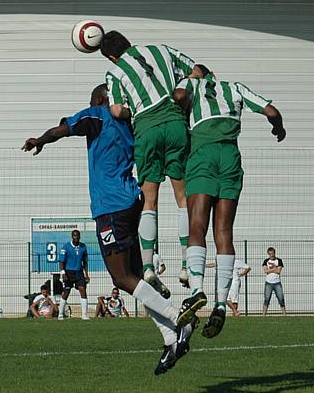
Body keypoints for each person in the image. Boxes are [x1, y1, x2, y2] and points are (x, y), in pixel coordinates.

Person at [22, 84, 198, 375]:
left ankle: (179, 317)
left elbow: (62, 130)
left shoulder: (97, 115)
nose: (91, 104)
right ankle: (171, 339)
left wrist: (40, 139)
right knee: (136, 276)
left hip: (110, 207)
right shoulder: (130, 123)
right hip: (132, 200)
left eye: (93, 100)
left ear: (102, 100)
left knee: (121, 277)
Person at [172, 72, 286, 337]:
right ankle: (221, 304)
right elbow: (271, 111)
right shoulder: (234, 87)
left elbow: (179, 96)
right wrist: (278, 128)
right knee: (223, 232)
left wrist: (183, 104)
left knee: (196, 227)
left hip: (203, 153)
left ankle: (196, 290)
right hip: (230, 157)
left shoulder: (193, 84)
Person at [101, 31, 210, 293]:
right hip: (175, 123)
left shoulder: (115, 73)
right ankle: (186, 264)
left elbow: (116, 111)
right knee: (183, 197)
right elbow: (197, 71)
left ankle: (148, 267)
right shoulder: (161, 50)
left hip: (147, 129)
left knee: (150, 200)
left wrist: (134, 109)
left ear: (112, 56)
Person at [57, 229, 91, 320]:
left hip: (79, 272)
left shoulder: (83, 247)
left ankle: (84, 315)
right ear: (72, 236)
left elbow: (85, 262)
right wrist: (63, 273)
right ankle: (60, 314)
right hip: (68, 272)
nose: (76, 237)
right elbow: (61, 262)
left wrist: (86, 275)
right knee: (66, 292)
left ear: (79, 236)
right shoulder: (66, 247)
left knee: (83, 290)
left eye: (78, 235)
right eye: (75, 235)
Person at [262, 247, 286, 316]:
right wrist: (275, 268)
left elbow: (279, 271)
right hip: (268, 283)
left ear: (274, 253)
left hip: (277, 283)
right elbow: (265, 271)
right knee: (267, 299)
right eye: (270, 254)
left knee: (281, 298)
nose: (271, 255)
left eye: (272, 253)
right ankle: (263, 315)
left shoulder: (279, 260)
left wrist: (270, 270)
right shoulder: (265, 261)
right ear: (268, 254)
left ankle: (284, 314)